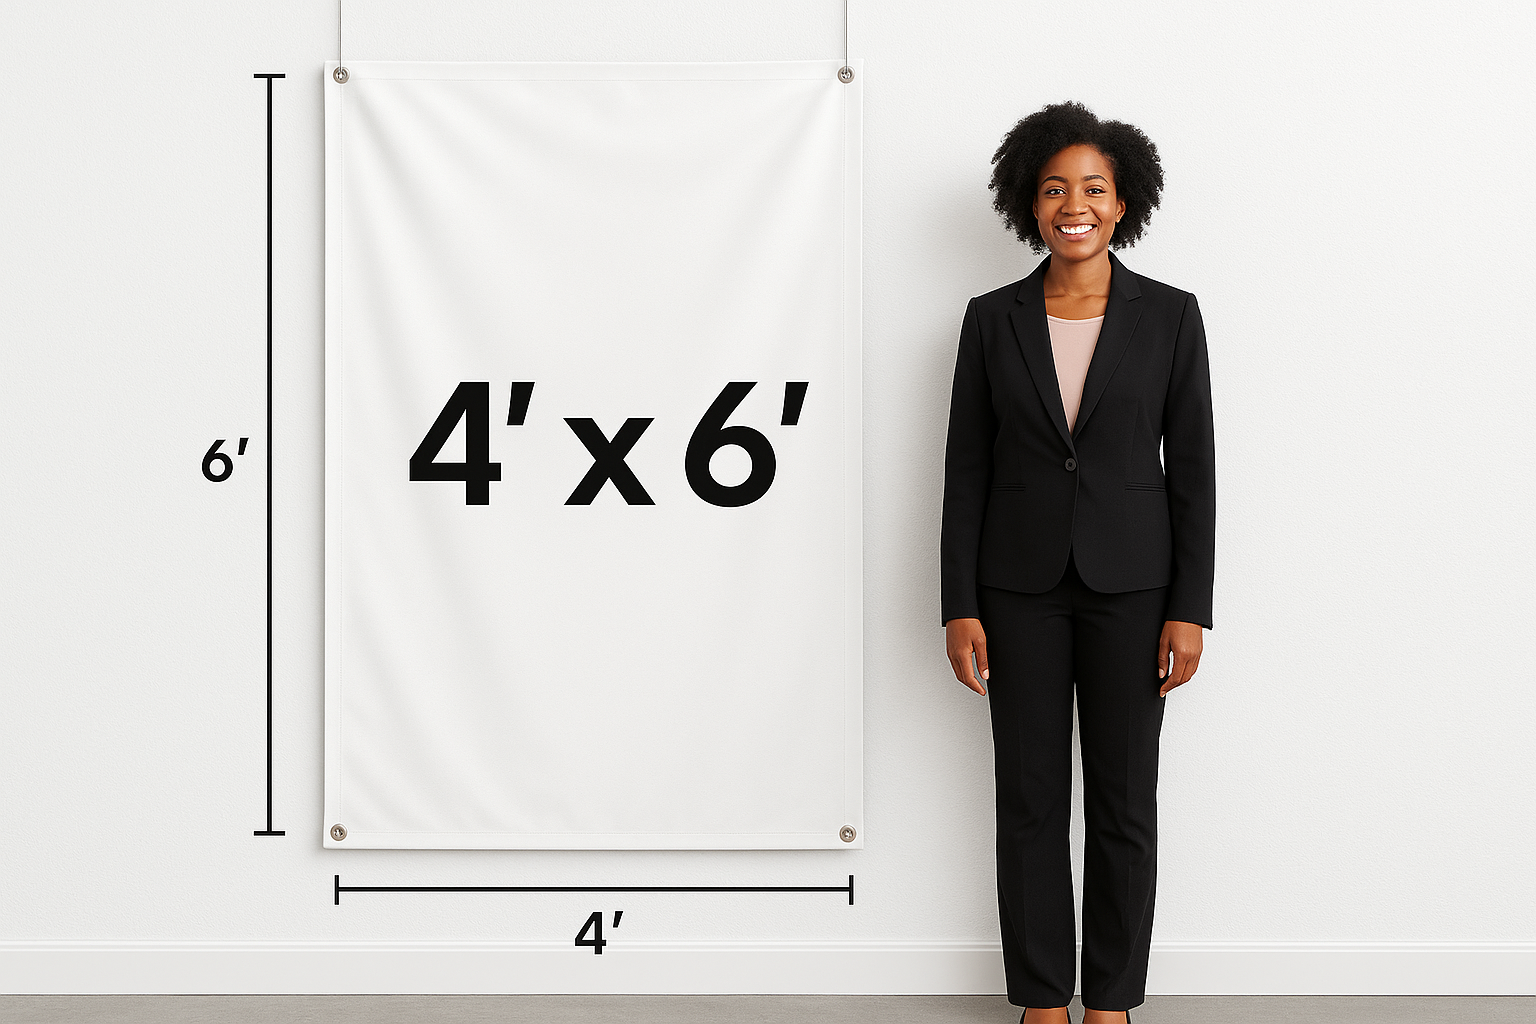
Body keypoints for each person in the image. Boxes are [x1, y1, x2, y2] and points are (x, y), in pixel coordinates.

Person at [940, 101, 1216, 1024]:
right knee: (1027, 801)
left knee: (1123, 806)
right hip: (1014, 591)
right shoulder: (990, 321)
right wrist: (958, 604)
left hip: (1135, 590)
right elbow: (965, 474)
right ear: (1028, 201)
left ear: (1123, 201)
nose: (1074, 204)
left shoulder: (1172, 318)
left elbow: (1195, 476)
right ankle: (1041, 1003)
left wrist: (1192, 607)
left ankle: (1112, 1004)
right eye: (1055, 188)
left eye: (1093, 188)